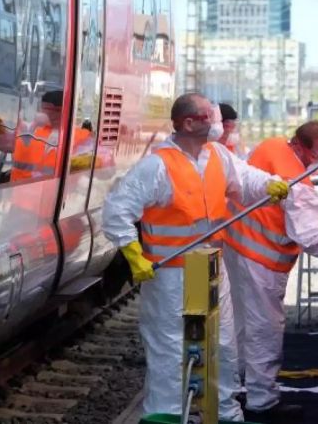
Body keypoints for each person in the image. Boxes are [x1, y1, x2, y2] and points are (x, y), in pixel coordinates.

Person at [101, 92, 291, 421]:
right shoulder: (158, 165)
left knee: (223, 344)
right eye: (209, 117)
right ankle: (167, 416)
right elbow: (118, 210)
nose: (218, 123)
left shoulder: (216, 155)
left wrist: (271, 184)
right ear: (188, 123)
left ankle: (225, 413)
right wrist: (134, 255)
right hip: (171, 276)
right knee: (171, 348)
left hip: (211, 269)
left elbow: (246, 180)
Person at [222, 120, 318, 418]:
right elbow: (313, 241)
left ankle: (234, 386)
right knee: (264, 330)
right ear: (300, 146)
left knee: (237, 324)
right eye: (316, 157)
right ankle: (262, 402)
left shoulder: (271, 145)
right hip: (262, 262)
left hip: (234, 248)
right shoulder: (297, 184)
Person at [0, 91, 95, 180]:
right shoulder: (30, 131)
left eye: (55, 112)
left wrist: (94, 163)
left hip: (60, 205)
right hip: (20, 203)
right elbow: (1, 141)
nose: (50, 115)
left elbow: (106, 167)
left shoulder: (81, 136)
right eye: (46, 110)